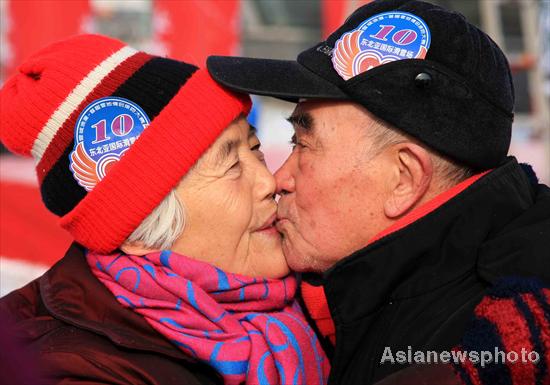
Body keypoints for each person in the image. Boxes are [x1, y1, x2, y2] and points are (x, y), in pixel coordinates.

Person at [206, 0, 550, 384]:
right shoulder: (350, 300)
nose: (277, 179)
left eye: (302, 144)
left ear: (403, 179)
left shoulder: (492, 351)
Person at [0, 34, 330, 385]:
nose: (269, 181)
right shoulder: (72, 370)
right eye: (232, 165)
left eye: (255, 148)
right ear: (143, 229)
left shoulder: (322, 298)